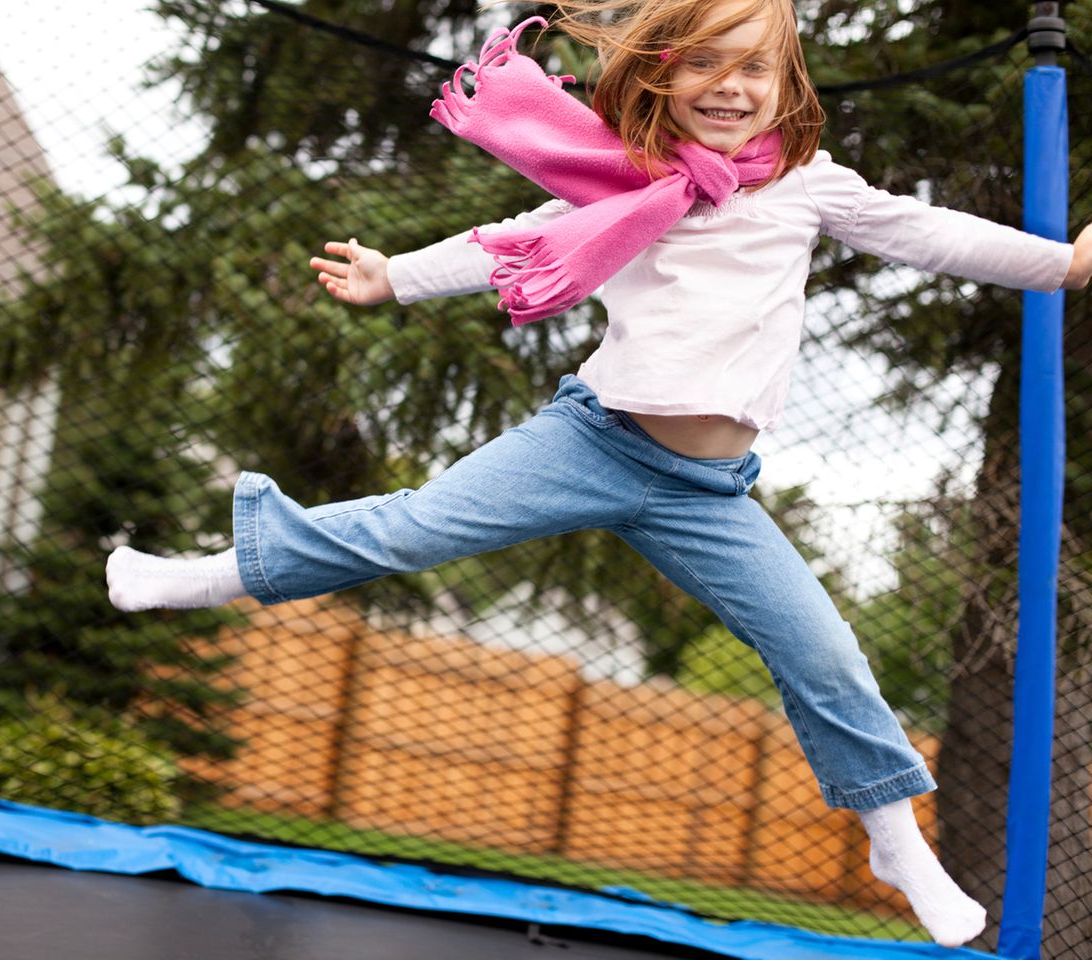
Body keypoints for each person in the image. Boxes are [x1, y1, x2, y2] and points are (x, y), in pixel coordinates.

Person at [107, 0, 1092, 947]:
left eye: (753, 67)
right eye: (704, 63)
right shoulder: (626, 178)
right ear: (661, 77)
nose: (730, 86)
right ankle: (201, 576)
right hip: (590, 443)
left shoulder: (808, 184)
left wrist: (1060, 265)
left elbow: (927, 232)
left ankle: (894, 842)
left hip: (706, 494)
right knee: (410, 525)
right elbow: (512, 241)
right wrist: (394, 275)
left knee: (823, 653)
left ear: (786, 82)